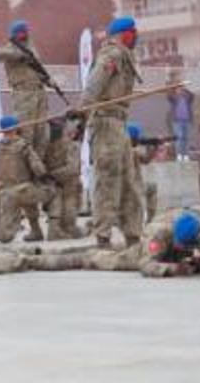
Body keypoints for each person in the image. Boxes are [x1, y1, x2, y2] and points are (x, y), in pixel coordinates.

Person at [79, 16, 144, 249]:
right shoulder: (112, 55)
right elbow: (95, 84)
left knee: (129, 182)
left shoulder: (123, 55)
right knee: (107, 181)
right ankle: (103, 236)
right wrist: (83, 109)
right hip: (106, 123)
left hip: (119, 123)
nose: (135, 36)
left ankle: (133, 234)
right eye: (132, 32)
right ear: (123, 34)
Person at [28, 211, 200, 278]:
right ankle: (32, 259)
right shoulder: (160, 235)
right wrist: (175, 269)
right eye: (181, 244)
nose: (184, 248)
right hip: (139, 253)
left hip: (168, 254)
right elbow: (146, 265)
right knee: (89, 257)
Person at [0, 116, 52, 245]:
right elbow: (37, 168)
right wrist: (46, 177)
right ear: (16, 128)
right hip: (19, 191)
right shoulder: (23, 146)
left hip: (2, 189)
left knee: (11, 207)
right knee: (7, 236)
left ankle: (35, 231)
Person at [0, 19, 52, 166]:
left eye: (24, 32)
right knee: (26, 133)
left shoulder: (31, 48)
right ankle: (25, 169)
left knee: (42, 134)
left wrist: (48, 80)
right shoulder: (11, 49)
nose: (22, 35)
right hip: (23, 95)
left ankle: (39, 167)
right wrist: (19, 55)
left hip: (39, 93)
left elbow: (38, 69)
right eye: (19, 33)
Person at [125, 122, 159, 224]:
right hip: (133, 186)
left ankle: (149, 219)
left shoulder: (122, 149)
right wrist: (152, 147)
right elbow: (145, 159)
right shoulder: (132, 151)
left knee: (151, 187)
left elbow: (146, 160)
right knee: (152, 189)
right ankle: (150, 220)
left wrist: (152, 147)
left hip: (129, 185)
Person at [165, 77, 195, 161]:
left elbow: (192, 95)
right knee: (179, 137)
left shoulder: (187, 96)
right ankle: (179, 154)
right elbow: (169, 96)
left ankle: (185, 155)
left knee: (186, 138)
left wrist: (184, 88)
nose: (180, 89)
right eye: (179, 87)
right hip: (177, 121)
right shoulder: (174, 97)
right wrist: (173, 87)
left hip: (187, 120)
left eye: (181, 87)